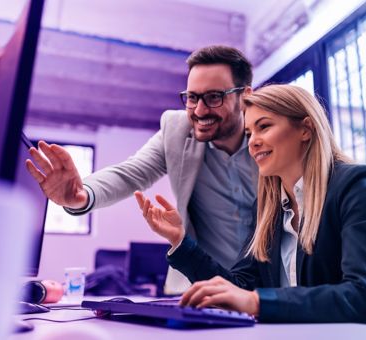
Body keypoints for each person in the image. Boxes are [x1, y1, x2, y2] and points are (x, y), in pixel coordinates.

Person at [134, 84, 366, 324]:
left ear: (305, 129)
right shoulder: (268, 207)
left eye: (264, 126)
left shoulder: (355, 185)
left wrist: (257, 302)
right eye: (249, 132)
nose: (253, 141)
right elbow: (239, 287)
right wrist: (180, 241)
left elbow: (365, 296)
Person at [25, 45, 258, 292]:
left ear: (244, 96)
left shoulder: (273, 136)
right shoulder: (177, 130)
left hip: (269, 290)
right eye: (192, 97)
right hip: (200, 287)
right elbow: (131, 172)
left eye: (214, 97)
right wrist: (81, 195)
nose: (199, 110)